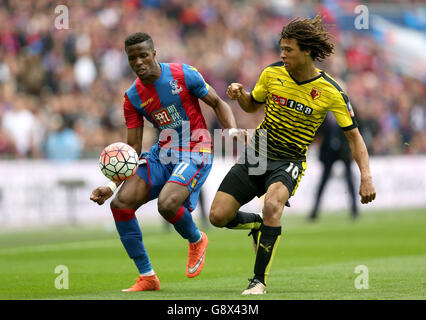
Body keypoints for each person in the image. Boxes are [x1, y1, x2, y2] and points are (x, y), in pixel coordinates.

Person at [209, 16, 376, 295]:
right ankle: (258, 224)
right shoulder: (272, 74)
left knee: (273, 204)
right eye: (281, 49)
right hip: (257, 153)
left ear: (307, 51)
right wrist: (241, 95)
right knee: (217, 216)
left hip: (288, 161)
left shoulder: (331, 91)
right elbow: (252, 106)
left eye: (289, 49)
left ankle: (258, 280)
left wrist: (366, 177)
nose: (282, 54)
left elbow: (354, 137)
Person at [90, 32, 244, 292]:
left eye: (143, 55)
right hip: (162, 153)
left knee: (167, 203)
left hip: (196, 149)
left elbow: (218, 103)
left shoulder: (183, 75)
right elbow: (133, 148)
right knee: (120, 204)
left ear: (153, 54)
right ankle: (147, 276)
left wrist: (231, 132)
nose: (138, 62)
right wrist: (110, 184)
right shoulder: (133, 97)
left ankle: (196, 239)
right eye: (132, 58)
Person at [309, 113, 358, 221]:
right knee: (323, 182)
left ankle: (355, 210)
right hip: (328, 152)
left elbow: (355, 129)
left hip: (344, 150)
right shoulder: (324, 111)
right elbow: (318, 130)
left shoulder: (346, 108)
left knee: (350, 181)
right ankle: (314, 211)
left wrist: (353, 149)